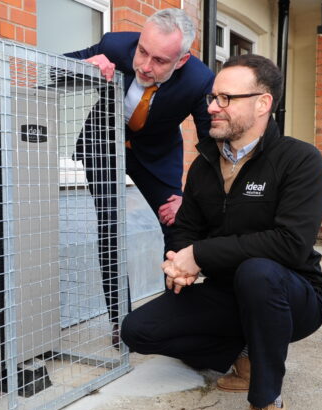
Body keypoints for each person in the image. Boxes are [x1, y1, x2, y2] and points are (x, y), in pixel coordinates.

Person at [120, 54, 322, 410]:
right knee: (138, 330)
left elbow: (290, 244)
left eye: (225, 99)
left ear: (263, 103)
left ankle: (267, 402)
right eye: (212, 98)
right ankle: (243, 354)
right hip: (226, 292)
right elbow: (186, 229)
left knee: (259, 271)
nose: (212, 107)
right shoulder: (203, 165)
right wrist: (178, 261)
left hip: (291, 296)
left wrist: (199, 256)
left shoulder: (299, 160)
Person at [64, 9, 214, 347]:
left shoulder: (200, 80)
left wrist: (189, 198)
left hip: (158, 156)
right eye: (143, 52)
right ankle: (122, 323)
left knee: (178, 226)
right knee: (110, 226)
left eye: (160, 60)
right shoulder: (115, 45)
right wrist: (83, 67)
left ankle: (174, 319)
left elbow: (211, 148)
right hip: (103, 144)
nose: (145, 66)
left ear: (181, 60)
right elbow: (49, 65)